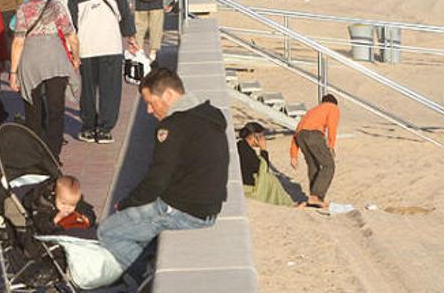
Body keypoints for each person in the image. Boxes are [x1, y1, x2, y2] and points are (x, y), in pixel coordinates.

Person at [98, 68, 228, 270]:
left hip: (183, 211)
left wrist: (126, 204)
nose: (149, 110)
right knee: (137, 226)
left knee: (108, 231)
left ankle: (145, 277)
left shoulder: (172, 127)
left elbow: (157, 180)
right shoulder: (209, 115)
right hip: (208, 208)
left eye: (150, 103)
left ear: (168, 95)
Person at [9, 0, 80, 159]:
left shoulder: (24, 8)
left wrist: (13, 72)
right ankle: (53, 153)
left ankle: (35, 151)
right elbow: (71, 35)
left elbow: (18, 41)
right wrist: (76, 57)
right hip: (55, 59)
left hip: (31, 60)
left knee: (33, 108)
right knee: (56, 109)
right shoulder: (57, 5)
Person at [68, 0, 137, 145]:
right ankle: (105, 128)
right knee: (110, 89)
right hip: (111, 44)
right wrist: (131, 36)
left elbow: (72, 22)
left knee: (88, 89)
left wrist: (72, 49)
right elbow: (124, 13)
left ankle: (89, 127)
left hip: (87, 46)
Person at [290, 95, 340, 208]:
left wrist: (293, 155)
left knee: (314, 166)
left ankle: (313, 200)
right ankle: (315, 196)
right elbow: (332, 126)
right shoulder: (332, 107)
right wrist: (331, 145)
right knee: (329, 165)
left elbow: (297, 131)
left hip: (300, 137)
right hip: (314, 135)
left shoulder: (312, 111)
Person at [237, 122, 298, 207]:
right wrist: (263, 150)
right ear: (254, 136)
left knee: (271, 179)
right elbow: (263, 168)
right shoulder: (245, 149)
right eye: (261, 136)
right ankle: (288, 204)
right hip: (247, 187)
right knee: (271, 180)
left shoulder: (242, 146)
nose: (263, 139)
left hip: (244, 182)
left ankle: (288, 203)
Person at [22, 175, 96, 235]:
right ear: (54, 195)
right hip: (52, 230)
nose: (67, 208)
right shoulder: (44, 204)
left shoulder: (72, 199)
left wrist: (87, 218)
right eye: (63, 203)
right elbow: (41, 226)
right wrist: (55, 220)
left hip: (73, 231)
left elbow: (87, 210)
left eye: (72, 205)